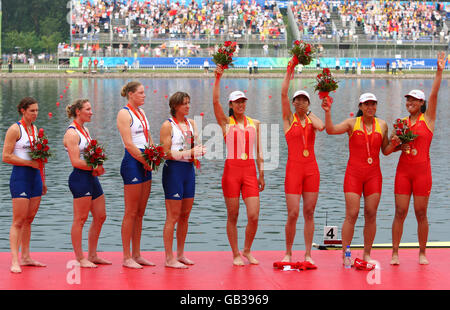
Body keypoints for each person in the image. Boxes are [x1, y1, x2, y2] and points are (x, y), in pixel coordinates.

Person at [321, 92, 398, 265]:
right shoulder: (351, 123)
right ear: (360, 107)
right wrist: (327, 111)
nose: (370, 107)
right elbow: (331, 130)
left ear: (376, 106)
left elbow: (385, 151)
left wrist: (397, 145)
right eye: (366, 104)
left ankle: (367, 254)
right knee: (352, 214)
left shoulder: (383, 124)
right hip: (354, 175)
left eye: (373, 104)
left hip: (373, 176)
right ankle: (346, 253)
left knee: (371, 214)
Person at [389, 52, 447, 265]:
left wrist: (439, 71)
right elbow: (389, 149)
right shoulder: (401, 123)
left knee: (421, 213)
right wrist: (396, 144)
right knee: (400, 212)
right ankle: (395, 253)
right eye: (408, 100)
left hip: (422, 172)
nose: (410, 102)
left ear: (422, 103)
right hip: (403, 172)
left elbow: (434, 94)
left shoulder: (428, 119)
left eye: (414, 100)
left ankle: (422, 252)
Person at [213, 64, 265, 266]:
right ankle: (235, 253)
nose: (241, 104)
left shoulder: (255, 123)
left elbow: (259, 151)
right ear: (231, 105)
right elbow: (215, 101)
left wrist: (262, 173)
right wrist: (218, 77)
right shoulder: (226, 123)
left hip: (250, 171)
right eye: (237, 102)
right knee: (233, 215)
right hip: (232, 172)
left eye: (243, 101)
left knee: (253, 215)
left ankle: (247, 250)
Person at [280, 63, 325, 264]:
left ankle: (308, 253)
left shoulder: (310, 119)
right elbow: (282, 94)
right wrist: (290, 71)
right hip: (294, 170)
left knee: (309, 212)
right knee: (293, 213)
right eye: (297, 99)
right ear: (293, 102)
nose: (299, 102)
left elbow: (321, 126)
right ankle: (288, 252)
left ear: (308, 103)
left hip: (311, 170)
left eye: (303, 99)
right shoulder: (288, 119)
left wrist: (307, 112)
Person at [159, 92, 206, 268]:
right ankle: (169, 258)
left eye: (189, 102)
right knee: (173, 216)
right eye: (184, 104)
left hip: (188, 170)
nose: (188, 106)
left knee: (185, 215)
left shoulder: (191, 123)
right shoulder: (167, 125)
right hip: (174, 171)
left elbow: (193, 146)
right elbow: (166, 153)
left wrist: (199, 151)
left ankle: (180, 254)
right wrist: (189, 153)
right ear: (175, 106)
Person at [63, 99, 111, 268]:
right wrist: (95, 166)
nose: (91, 112)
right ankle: (79, 258)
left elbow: (90, 156)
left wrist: (97, 166)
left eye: (91, 109)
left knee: (101, 216)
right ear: (78, 112)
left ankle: (92, 254)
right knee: (80, 219)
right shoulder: (72, 133)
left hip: (91, 177)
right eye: (88, 109)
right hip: (79, 178)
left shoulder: (86, 130)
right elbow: (75, 161)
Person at [2, 97, 47, 273]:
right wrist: (29, 164)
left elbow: (39, 159)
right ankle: (14, 260)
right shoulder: (15, 129)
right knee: (18, 220)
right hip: (20, 177)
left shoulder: (35, 129)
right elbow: (6, 156)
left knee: (29, 219)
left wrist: (43, 180)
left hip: (35, 178)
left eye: (37, 110)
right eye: (32, 111)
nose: (35, 114)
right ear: (23, 110)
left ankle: (26, 257)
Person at [117, 81, 155, 269]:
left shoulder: (143, 112)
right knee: (130, 212)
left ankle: (137, 254)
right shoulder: (124, 113)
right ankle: (126, 256)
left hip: (145, 161)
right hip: (133, 162)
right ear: (131, 94)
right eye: (140, 93)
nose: (144, 95)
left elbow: (148, 137)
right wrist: (144, 160)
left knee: (140, 213)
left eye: (144, 92)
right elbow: (129, 144)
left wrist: (153, 155)